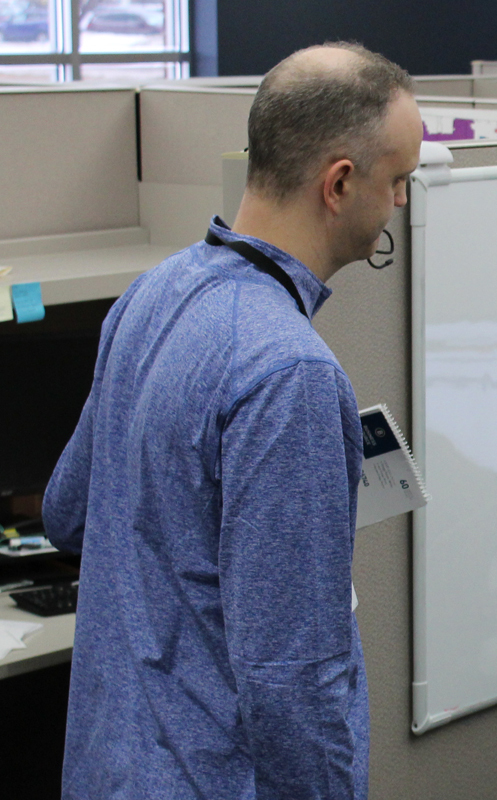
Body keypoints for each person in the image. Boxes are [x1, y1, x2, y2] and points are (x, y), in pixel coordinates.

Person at [42, 42, 423, 800]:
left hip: (105, 771)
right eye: (398, 181)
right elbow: (292, 686)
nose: (402, 205)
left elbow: (67, 513)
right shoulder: (292, 376)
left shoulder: (151, 295)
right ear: (339, 184)